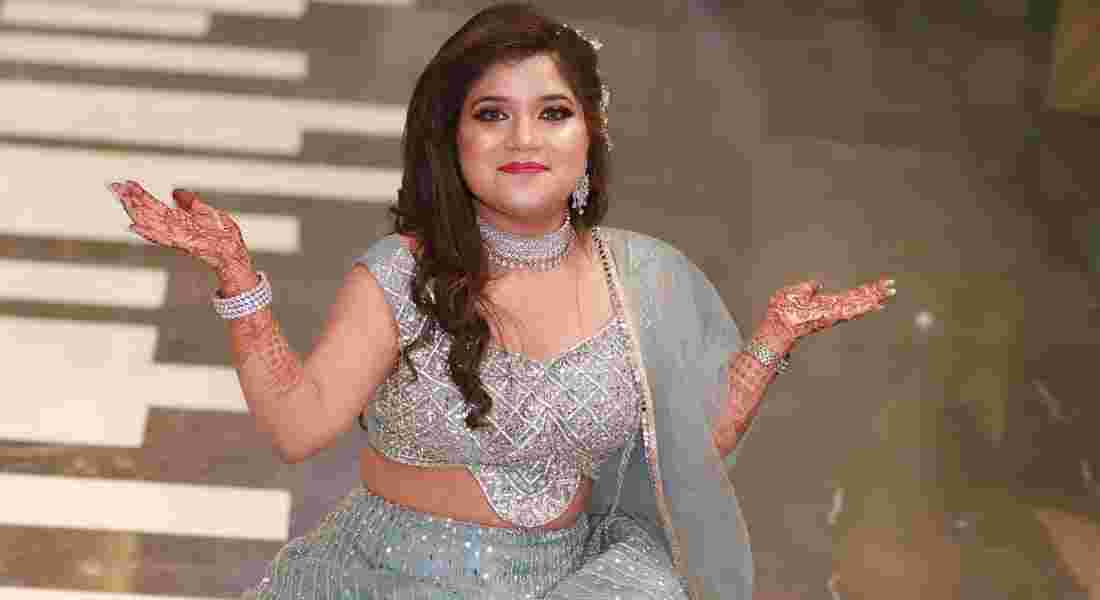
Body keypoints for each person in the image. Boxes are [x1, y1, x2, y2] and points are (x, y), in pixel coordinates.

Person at [107, 3, 896, 598]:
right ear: (453, 140)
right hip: (389, 581)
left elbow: (681, 458)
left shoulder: (643, 278)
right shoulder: (401, 275)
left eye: (553, 113)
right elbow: (296, 425)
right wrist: (237, 275)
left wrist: (771, 341)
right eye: (492, 114)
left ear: (590, 135)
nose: (524, 139)